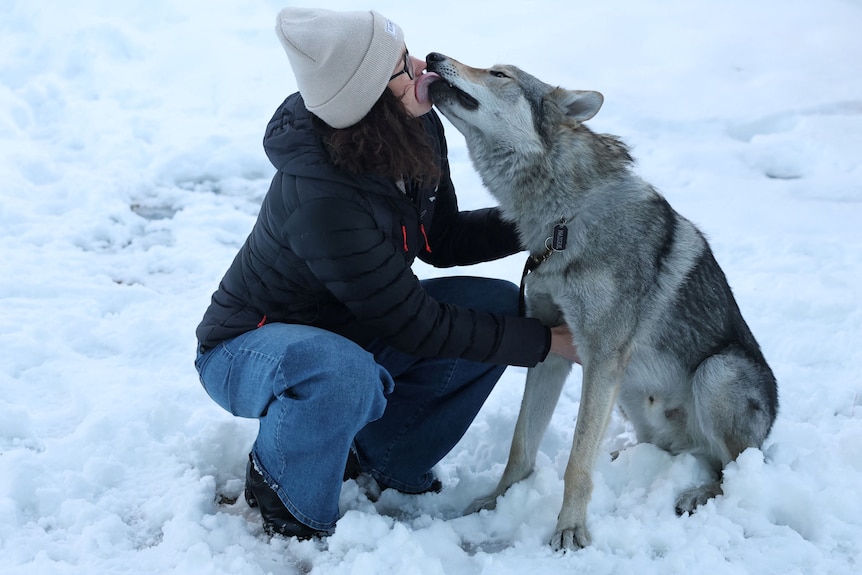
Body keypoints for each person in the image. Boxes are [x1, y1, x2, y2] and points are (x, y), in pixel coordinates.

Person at [194, 6, 580, 541]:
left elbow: (439, 241)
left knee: (498, 308)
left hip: (348, 330)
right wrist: (547, 342)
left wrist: (540, 219)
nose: (422, 67)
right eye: (402, 67)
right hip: (249, 347)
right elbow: (416, 325)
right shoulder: (325, 200)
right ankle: (287, 495)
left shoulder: (414, 129)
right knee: (341, 372)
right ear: (368, 99)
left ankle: (387, 458)